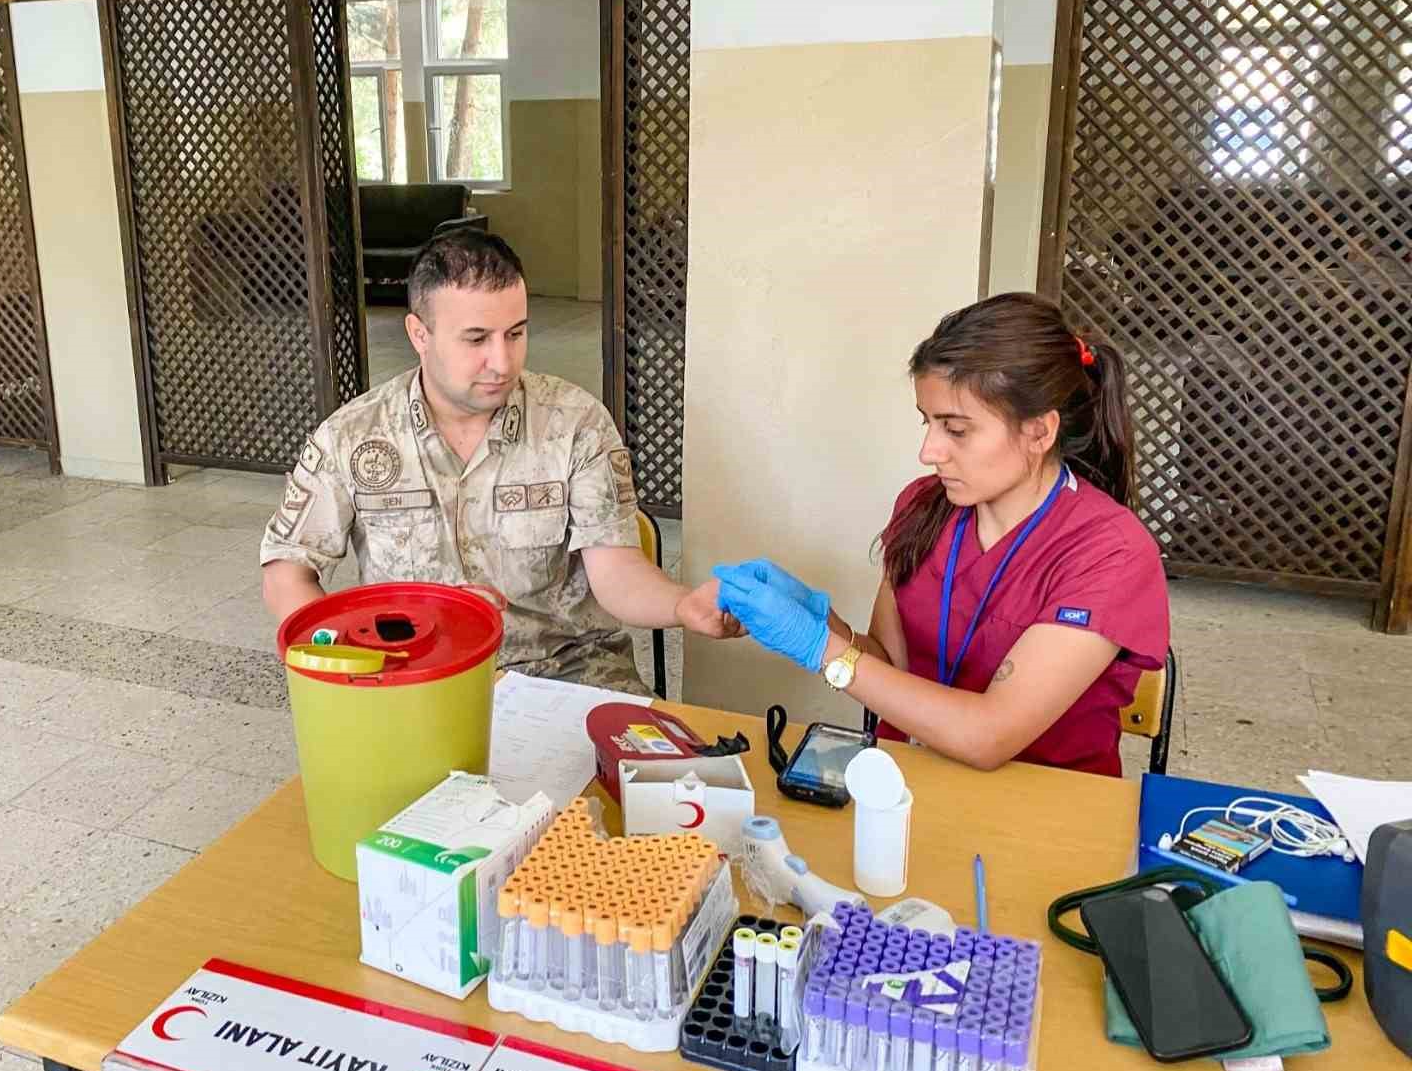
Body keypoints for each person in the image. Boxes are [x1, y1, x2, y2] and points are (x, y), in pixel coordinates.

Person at [261, 228, 736, 694]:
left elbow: (616, 572)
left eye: (515, 333)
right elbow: (288, 568)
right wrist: (346, 658)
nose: (502, 362)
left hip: (565, 671)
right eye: (476, 339)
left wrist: (683, 605)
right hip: (416, 678)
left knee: (647, 767)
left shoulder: (574, 423)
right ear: (419, 334)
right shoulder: (354, 436)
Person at [715, 293, 1168, 776]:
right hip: (908, 787)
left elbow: (989, 735)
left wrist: (819, 649)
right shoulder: (923, 506)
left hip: (1047, 812)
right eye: (927, 421)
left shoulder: (1110, 551)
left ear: (1039, 432)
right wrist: (815, 619)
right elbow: (890, 665)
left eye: (956, 430)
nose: (929, 451)